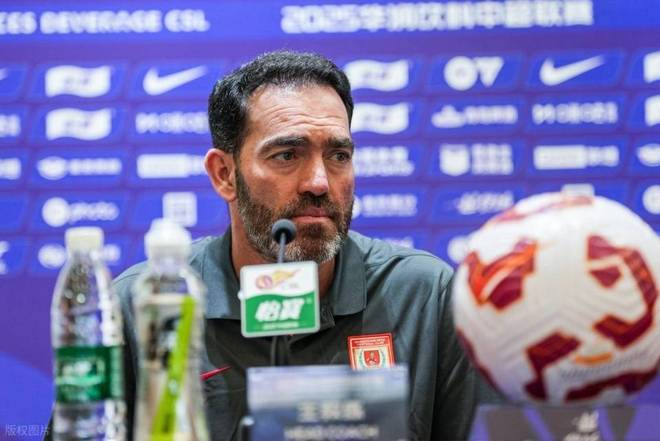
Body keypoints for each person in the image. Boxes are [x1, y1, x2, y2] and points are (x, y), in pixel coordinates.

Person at [48, 50, 499, 441]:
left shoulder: (425, 294)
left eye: (338, 156)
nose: (319, 182)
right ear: (224, 174)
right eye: (287, 155)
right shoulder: (147, 305)